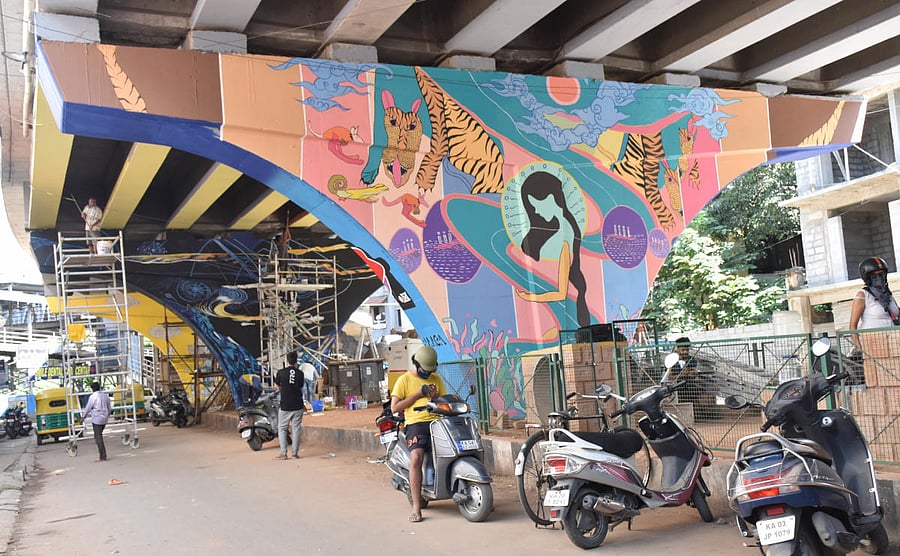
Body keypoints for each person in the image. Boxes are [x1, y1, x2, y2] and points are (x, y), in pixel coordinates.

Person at [390, 345, 447, 523]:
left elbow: (444, 402)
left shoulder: (436, 379)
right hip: (416, 424)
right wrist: (417, 394)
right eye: (424, 370)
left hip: (437, 421)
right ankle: (416, 506)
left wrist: (436, 397)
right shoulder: (404, 380)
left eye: (431, 370)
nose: (427, 374)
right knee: (416, 457)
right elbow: (395, 408)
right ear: (416, 364)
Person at [848, 257, 899, 385]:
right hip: (874, 347)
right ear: (867, 277)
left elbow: (896, 313)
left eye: (881, 274)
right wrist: (862, 350)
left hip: (893, 346)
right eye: (874, 275)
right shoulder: (862, 295)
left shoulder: (888, 295)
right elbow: (852, 326)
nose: (879, 277)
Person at [274, 351, 304, 460]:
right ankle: (295, 454)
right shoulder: (300, 373)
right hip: (298, 405)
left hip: (285, 405)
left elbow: (277, 387)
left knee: (282, 428)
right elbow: (300, 387)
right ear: (296, 361)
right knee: (296, 429)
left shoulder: (280, 373)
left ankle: (284, 453)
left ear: (287, 361)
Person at [81, 381, 112, 462]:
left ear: (92, 389)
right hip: (104, 418)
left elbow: (88, 407)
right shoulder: (105, 396)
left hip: (97, 419)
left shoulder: (93, 397)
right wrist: (107, 415)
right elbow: (109, 408)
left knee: (98, 437)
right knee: (98, 435)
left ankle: (102, 456)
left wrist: (83, 416)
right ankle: (102, 453)